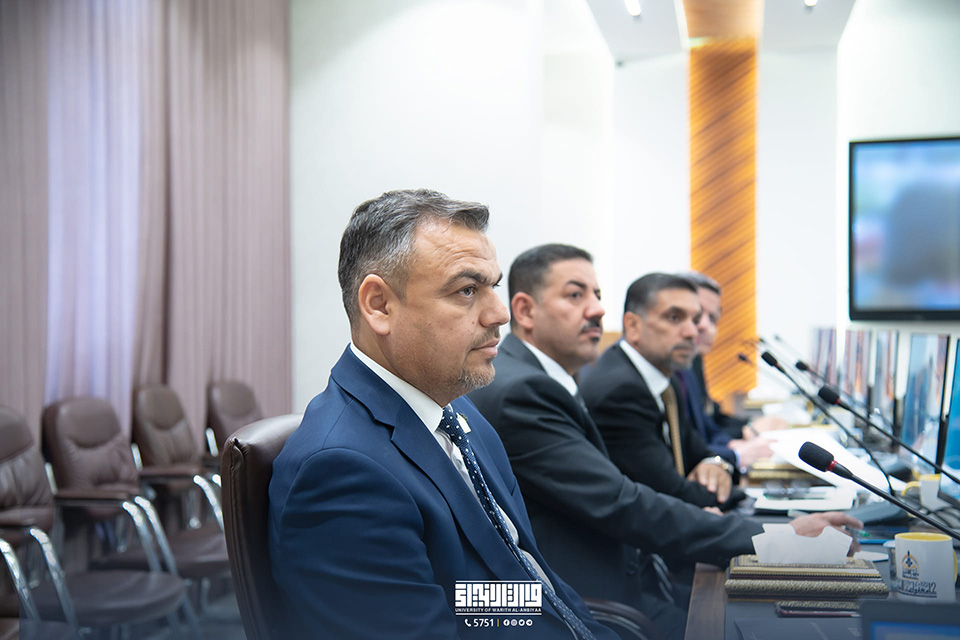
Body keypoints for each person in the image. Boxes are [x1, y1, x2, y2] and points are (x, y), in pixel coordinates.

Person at [269, 191, 616, 640]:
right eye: (467, 290)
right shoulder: (340, 473)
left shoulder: (453, 408)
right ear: (379, 305)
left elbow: (503, 584)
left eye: (492, 287)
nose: (500, 314)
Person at [468, 245, 861, 640]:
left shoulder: (538, 378)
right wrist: (773, 537)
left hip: (626, 576)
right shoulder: (525, 391)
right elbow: (620, 502)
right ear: (525, 311)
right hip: (589, 602)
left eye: (598, 295)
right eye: (575, 295)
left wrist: (723, 472)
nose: (598, 310)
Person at [581, 273, 737, 509]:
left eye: (695, 320)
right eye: (674, 318)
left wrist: (716, 464)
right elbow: (671, 495)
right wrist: (734, 492)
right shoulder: (620, 392)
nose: (692, 332)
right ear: (633, 326)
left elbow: (698, 452)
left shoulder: (666, 379)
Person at [679, 272, 775, 470]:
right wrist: (736, 450)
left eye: (713, 318)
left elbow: (708, 422)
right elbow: (690, 442)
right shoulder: (676, 366)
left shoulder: (693, 362)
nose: (705, 325)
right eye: (697, 315)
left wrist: (740, 436)